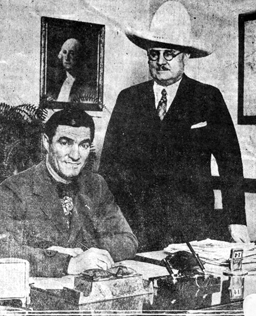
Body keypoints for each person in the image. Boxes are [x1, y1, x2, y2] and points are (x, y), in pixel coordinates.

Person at [99, 1, 248, 252]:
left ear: (186, 55)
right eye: (154, 54)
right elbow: (109, 166)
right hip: (137, 225)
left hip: (192, 226)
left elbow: (230, 162)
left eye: (169, 53)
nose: (160, 61)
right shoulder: (128, 99)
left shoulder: (207, 98)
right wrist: (108, 221)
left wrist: (236, 220)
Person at [0, 109, 138, 277]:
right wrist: (65, 262)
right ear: (46, 142)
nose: (75, 155)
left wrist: (82, 253)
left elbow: (128, 240)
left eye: (84, 145)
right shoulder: (14, 189)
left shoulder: (96, 185)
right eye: (65, 143)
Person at [46, 38, 95, 103]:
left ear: (79, 57)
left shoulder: (87, 86)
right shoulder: (57, 84)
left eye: (72, 53)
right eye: (64, 52)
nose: (67, 58)